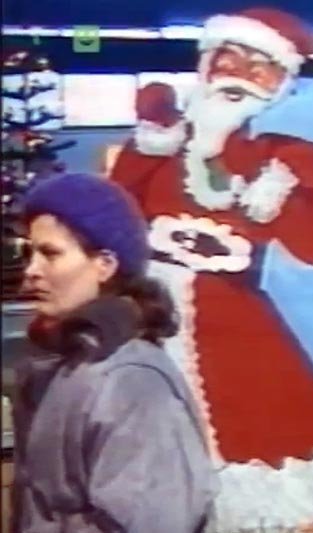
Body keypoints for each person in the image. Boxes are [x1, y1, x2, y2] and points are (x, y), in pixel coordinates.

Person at [108, 7, 313, 531]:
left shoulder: (285, 158)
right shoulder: (162, 145)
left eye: (259, 69)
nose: (237, 76)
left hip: (238, 325)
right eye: (227, 60)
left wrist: (283, 195)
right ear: (207, 65)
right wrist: (149, 144)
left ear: (280, 83)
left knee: (265, 451)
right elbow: (118, 211)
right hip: (151, 319)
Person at [11, 173, 217, 533]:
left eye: (50, 254)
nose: (32, 271)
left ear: (105, 264)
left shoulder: (130, 381)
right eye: (30, 253)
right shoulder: (65, 363)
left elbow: (154, 522)